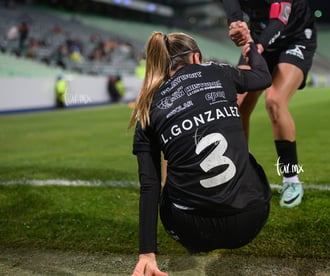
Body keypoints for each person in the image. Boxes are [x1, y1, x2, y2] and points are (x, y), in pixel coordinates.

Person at [128, 31, 272, 276]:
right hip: (248, 221)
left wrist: (147, 254)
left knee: (170, 158)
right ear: (196, 57)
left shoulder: (147, 108)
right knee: (244, 154)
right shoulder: (218, 71)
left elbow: (149, 186)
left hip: (191, 231)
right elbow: (262, 77)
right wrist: (251, 48)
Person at [221, 0, 317, 208]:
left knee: (274, 101)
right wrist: (236, 23)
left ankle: (291, 180)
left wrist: (259, 45)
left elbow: (280, 19)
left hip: (295, 38)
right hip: (257, 36)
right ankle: (241, 176)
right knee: (237, 104)